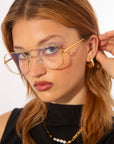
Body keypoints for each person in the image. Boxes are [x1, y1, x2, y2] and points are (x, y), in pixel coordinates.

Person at [0, 0, 114, 144]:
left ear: (90, 48)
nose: (35, 71)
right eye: (23, 55)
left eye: (51, 49)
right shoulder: (4, 129)